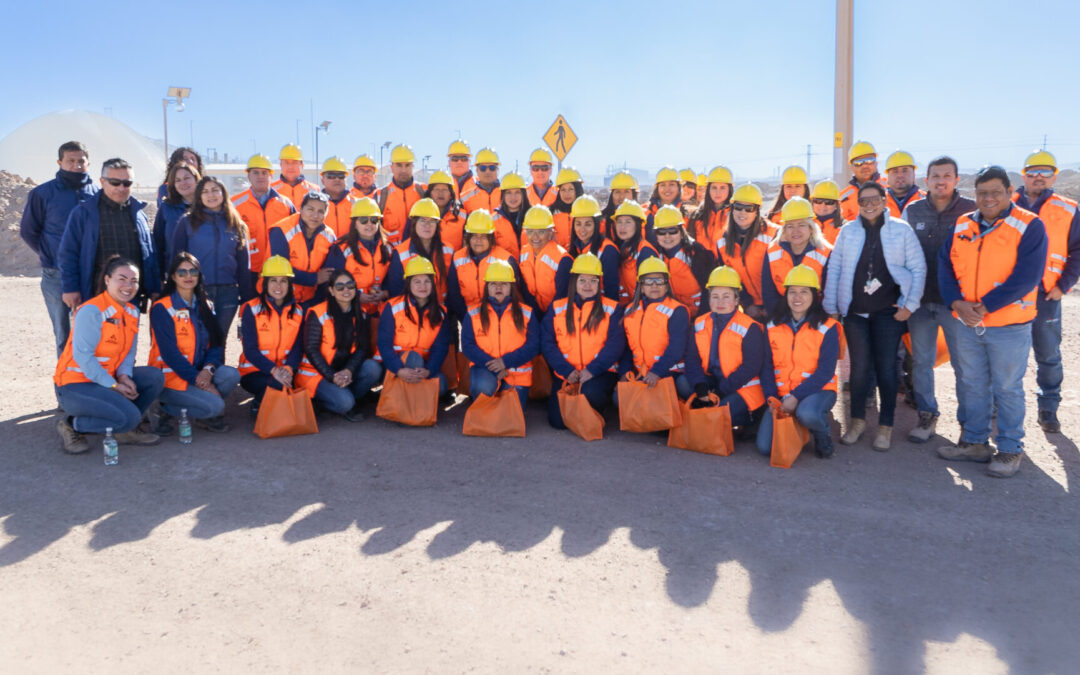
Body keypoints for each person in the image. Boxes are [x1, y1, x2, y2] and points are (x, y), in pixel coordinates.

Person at [936, 166, 1048, 478]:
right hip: (968, 322)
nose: (988, 199)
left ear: (1011, 192)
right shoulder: (963, 224)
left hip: (1009, 325)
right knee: (972, 384)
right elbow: (945, 264)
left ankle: (1010, 449)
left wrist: (985, 307)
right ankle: (975, 443)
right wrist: (956, 302)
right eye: (982, 193)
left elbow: (1027, 277)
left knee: (1007, 388)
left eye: (995, 192)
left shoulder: (1029, 225)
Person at [824, 181, 925, 451]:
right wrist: (831, 304)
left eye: (874, 199)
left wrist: (909, 305)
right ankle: (856, 422)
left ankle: (885, 426)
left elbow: (918, 267)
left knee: (886, 370)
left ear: (884, 200)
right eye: (864, 201)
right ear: (857, 205)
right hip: (855, 313)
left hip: (887, 313)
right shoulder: (848, 232)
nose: (869, 205)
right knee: (858, 370)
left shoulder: (901, 231)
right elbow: (835, 268)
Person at [54, 256, 164, 453]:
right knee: (128, 417)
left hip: (108, 379)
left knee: (154, 377)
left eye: (134, 281)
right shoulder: (92, 311)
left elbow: (128, 353)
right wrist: (114, 385)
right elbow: (83, 357)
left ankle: (124, 429)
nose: (128, 285)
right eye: (121, 279)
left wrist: (124, 376)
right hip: (76, 385)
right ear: (107, 280)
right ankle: (72, 424)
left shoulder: (131, 311)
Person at [900, 155, 975, 443]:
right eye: (935, 176)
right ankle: (927, 414)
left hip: (956, 304)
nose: (941, 181)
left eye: (947, 176)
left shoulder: (971, 210)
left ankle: (969, 424)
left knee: (963, 364)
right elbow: (903, 255)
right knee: (921, 362)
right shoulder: (913, 210)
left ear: (957, 179)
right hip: (920, 302)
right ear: (926, 180)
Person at [1010, 149, 1080, 434]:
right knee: (1007, 354)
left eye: (1045, 172)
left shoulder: (1068, 208)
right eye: (1033, 171)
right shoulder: (1006, 204)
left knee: (1048, 354)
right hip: (1011, 295)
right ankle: (998, 405)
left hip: (1046, 295)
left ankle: (1048, 408)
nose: (1038, 176)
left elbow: (1077, 251)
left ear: (1054, 175)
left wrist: (1063, 286)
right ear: (1024, 174)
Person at [148, 252, 241, 433]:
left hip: (198, 373)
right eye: (182, 272)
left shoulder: (206, 305)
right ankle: (162, 407)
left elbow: (215, 344)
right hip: (171, 378)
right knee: (215, 407)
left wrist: (208, 371)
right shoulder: (162, 308)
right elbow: (170, 354)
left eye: (193, 272)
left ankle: (198, 410)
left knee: (231, 375)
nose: (188, 277)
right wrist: (199, 380)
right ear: (173, 277)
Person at [19, 140, 97, 356]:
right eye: (70, 161)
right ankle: (67, 385)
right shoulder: (42, 194)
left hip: (92, 273)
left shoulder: (97, 193)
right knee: (64, 334)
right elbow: (28, 231)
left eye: (81, 161)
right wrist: (51, 255)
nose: (76, 165)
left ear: (88, 163)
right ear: (59, 162)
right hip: (56, 275)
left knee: (93, 332)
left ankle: (94, 384)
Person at [756, 265, 840, 459]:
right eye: (792, 292)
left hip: (818, 391)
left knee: (808, 414)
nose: (797, 298)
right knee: (765, 448)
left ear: (815, 295)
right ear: (785, 295)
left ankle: (821, 432)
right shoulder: (771, 325)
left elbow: (825, 372)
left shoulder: (828, 327)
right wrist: (771, 397)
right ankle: (800, 426)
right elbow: (766, 366)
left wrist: (795, 396)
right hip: (781, 395)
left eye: (804, 292)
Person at [59, 157, 160, 313]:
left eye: (127, 183)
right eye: (115, 182)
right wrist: (70, 288)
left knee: (127, 337)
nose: (121, 188)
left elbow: (149, 254)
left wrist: (154, 287)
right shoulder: (83, 214)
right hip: (94, 294)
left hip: (130, 295)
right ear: (102, 181)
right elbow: (68, 253)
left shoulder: (139, 214)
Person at [541, 253, 625, 429]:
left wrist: (592, 370)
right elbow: (547, 342)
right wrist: (566, 370)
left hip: (599, 372)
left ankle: (597, 409)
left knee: (590, 393)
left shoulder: (612, 308)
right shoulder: (558, 307)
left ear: (599, 283)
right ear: (574, 282)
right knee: (557, 422)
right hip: (566, 372)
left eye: (593, 281)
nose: (588, 285)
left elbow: (615, 345)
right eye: (582, 280)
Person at [678, 266, 766, 432]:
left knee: (719, 412)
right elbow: (692, 359)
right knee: (683, 383)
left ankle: (750, 418)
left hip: (741, 386)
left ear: (736, 299)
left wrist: (720, 391)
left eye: (726, 297)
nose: (720, 302)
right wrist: (700, 386)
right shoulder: (699, 322)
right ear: (709, 299)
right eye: (715, 297)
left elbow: (751, 367)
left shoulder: (750, 327)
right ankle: (706, 410)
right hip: (712, 380)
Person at [296, 269, 384, 422]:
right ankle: (325, 402)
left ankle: (347, 398)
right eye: (340, 287)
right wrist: (332, 376)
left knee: (373, 368)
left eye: (350, 286)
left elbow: (362, 348)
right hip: (317, 374)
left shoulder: (360, 313)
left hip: (343, 370)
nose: (346, 290)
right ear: (331, 290)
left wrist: (349, 371)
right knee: (345, 403)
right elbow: (311, 349)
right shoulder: (317, 313)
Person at [170, 176, 254, 335]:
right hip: (197, 289)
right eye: (205, 191)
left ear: (224, 193)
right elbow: (176, 258)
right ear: (199, 196)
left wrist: (246, 296)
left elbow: (244, 264)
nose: (211, 195)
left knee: (219, 339)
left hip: (228, 292)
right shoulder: (187, 222)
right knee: (198, 337)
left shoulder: (235, 223)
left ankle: (218, 362)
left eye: (215, 190)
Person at [460, 260, 539, 412]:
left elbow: (533, 345)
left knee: (512, 413)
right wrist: (494, 366)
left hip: (516, 373)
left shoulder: (526, 312)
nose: (498, 288)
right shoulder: (473, 312)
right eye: (493, 284)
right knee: (483, 387)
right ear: (486, 287)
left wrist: (505, 362)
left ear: (511, 287)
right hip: (485, 368)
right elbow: (468, 346)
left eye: (503, 284)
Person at [238, 255, 305, 416]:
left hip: (286, 371)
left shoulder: (298, 311)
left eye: (283, 281)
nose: (278, 286)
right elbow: (250, 350)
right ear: (264, 283)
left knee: (300, 390)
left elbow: (298, 347)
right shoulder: (251, 309)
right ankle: (259, 404)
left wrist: (288, 369)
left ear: (289, 284)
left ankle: (270, 404)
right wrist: (274, 371)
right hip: (254, 372)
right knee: (278, 385)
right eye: (273, 280)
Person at [377, 256, 452, 394]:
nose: (422, 286)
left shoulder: (441, 312)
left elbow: (440, 348)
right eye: (417, 282)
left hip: (421, 367)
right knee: (413, 357)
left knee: (442, 386)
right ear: (408, 284)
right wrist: (399, 370)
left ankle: (403, 393)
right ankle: (405, 397)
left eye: (427, 281)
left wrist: (428, 370)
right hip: (393, 366)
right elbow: (384, 344)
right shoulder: (393, 307)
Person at [618, 257, 689, 390]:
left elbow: (676, 349)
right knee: (618, 399)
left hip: (670, 372)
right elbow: (627, 347)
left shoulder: (677, 310)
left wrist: (657, 372)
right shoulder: (630, 310)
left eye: (659, 281)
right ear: (641, 286)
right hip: (642, 373)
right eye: (649, 281)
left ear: (667, 285)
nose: (654, 286)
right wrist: (625, 372)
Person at [761, 197, 832, 315]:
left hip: (815, 316)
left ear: (811, 228)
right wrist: (780, 319)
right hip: (781, 315)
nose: (796, 231)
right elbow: (769, 293)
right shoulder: (772, 251)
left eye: (801, 225)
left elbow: (828, 295)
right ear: (783, 230)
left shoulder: (827, 253)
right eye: (790, 226)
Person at [325, 197, 392, 318]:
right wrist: (355, 295)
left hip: (379, 311)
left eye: (373, 220)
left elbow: (393, 279)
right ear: (354, 223)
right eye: (363, 220)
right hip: (349, 311)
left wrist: (385, 293)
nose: (369, 224)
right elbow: (331, 282)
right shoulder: (341, 248)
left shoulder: (388, 248)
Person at [446, 209, 518, 319]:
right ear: (468, 238)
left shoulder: (506, 260)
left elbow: (513, 295)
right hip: (467, 317)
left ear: (491, 238)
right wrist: (467, 319)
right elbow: (454, 294)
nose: (478, 241)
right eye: (474, 236)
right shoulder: (457, 258)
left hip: (499, 318)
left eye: (483, 236)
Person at [232, 154, 296, 277]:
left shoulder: (286, 204)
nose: (260, 177)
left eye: (264, 173)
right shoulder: (234, 205)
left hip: (280, 270)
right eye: (255, 172)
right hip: (249, 272)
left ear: (271, 176)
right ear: (248, 176)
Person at [715, 183, 772, 321]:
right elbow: (730, 280)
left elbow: (779, 275)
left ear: (757, 210)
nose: (742, 213)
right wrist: (746, 305)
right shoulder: (722, 243)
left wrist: (772, 306)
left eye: (749, 209)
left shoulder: (773, 236)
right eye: (738, 207)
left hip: (775, 307)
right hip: (749, 310)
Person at [385, 198, 455, 303]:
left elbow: (453, 287)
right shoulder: (400, 252)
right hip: (411, 312)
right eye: (423, 221)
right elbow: (396, 290)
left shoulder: (448, 250)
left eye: (432, 221)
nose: (427, 226)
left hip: (441, 311)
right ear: (414, 224)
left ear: (437, 225)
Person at [652, 205, 713, 314]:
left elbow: (709, 290)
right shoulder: (656, 255)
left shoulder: (696, 253)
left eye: (672, 231)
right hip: (674, 312)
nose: (667, 236)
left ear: (681, 231)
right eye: (662, 232)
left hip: (700, 312)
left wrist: (699, 319)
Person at [519, 205, 572, 313]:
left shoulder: (563, 259)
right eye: (530, 232)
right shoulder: (524, 252)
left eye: (541, 232)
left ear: (550, 232)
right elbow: (525, 290)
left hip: (556, 315)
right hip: (534, 312)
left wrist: (545, 322)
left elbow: (561, 297)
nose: (535, 237)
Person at [567, 195, 620, 302]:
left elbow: (611, 290)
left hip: (600, 308)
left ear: (596, 225)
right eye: (578, 224)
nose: (582, 229)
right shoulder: (575, 248)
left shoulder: (607, 250)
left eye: (588, 224)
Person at [152, 161, 199, 277]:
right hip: (176, 274)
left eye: (187, 178)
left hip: (205, 273)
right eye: (177, 180)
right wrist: (160, 275)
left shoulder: (208, 207)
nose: (183, 183)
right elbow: (158, 244)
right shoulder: (166, 208)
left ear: (196, 179)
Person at [610, 200, 659, 305]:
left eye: (628, 222)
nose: (622, 227)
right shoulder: (625, 248)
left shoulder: (645, 252)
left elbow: (650, 292)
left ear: (638, 225)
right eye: (619, 222)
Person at [378, 144, 426, 245]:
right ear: (392, 167)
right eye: (399, 165)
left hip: (418, 255)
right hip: (390, 256)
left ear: (413, 166)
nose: (403, 170)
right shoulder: (380, 196)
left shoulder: (424, 192)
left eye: (407, 165)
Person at [687, 165, 733, 253]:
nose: (717, 192)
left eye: (722, 188)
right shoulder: (698, 215)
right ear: (708, 190)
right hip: (701, 264)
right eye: (714, 187)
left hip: (726, 265)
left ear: (729, 189)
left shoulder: (736, 215)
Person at [839, 141, 887, 222]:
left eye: (869, 160)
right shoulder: (844, 198)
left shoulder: (889, 188)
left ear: (876, 163)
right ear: (852, 167)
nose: (865, 166)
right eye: (858, 163)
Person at [418, 170, 467, 251]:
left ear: (451, 194)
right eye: (436, 189)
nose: (440, 193)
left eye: (444, 190)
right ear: (430, 193)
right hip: (426, 262)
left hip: (454, 262)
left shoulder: (462, 215)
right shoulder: (419, 212)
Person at [492, 172, 529, 257]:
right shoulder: (492, 220)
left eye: (517, 192)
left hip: (530, 267)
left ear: (523, 194)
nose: (513, 197)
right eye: (508, 193)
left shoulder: (533, 216)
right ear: (503, 195)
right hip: (504, 268)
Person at [319, 157, 355, 238]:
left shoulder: (357, 204)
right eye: (331, 176)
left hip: (350, 250)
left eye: (341, 176)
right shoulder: (315, 205)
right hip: (323, 250)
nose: (337, 179)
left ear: (346, 180)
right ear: (322, 180)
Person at [459, 148, 502, 215]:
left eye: (492, 168)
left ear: (497, 170)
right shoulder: (464, 199)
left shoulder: (506, 195)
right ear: (477, 171)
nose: (487, 171)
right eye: (483, 168)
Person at [883, 150, 925, 217]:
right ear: (888, 176)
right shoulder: (878, 202)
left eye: (905, 170)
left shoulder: (928, 201)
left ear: (914, 174)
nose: (900, 175)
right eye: (895, 171)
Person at [550, 167, 584, 249]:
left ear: (577, 190)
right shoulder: (551, 213)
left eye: (571, 189)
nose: (566, 194)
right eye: (563, 190)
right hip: (558, 258)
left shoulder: (585, 211)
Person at [598, 171, 639, 236]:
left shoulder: (645, 219)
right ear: (612, 195)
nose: (622, 196)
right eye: (617, 192)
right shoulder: (601, 221)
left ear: (634, 195)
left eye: (626, 191)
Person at [809, 180, 844, 245]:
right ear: (812, 202)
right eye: (818, 201)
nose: (823, 206)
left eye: (829, 202)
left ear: (836, 204)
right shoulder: (804, 225)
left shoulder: (844, 228)